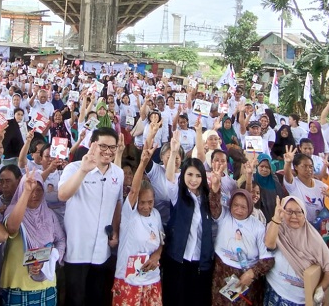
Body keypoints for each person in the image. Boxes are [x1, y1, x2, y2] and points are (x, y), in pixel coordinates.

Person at [58, 127, 124, 306]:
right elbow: (63, 195)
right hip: (77, 249)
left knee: (97, 297)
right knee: (75, 299)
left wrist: (115, 230)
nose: (108, 152)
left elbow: (117, 203)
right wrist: (83, 171)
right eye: (103, 146)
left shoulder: (118, 173)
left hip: (102, 251)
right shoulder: (74, 168)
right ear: (92, 145)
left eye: (113, 147)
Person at [209, 160, 273, 306]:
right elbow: (213, 203)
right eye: (235, 205)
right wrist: (216, 185)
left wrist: (251, 273)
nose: (238, 210)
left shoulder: (257, 226)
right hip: (222, 272)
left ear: (250, 207)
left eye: (243, 207)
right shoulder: (224, 215)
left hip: (246, 277)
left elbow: (268, 259)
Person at [2, 169, 67, 306]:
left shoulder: (49, 214)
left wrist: (51, 259)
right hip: (19, 284)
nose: (35, 194)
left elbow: (60, 240)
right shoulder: (13, 210)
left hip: (46, 284)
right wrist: (26, 192)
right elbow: (12, 228)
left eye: (39, 190)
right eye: (31, 190)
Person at [264, 196, 329, 306]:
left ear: (304, 214)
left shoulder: (313, 237)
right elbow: (269, 245)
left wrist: (320, 289)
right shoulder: (276, 227)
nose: (294, 216)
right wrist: (276, 218)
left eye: (299, 212)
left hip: (300, 299)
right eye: (289, 211)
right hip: (275, 291)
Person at [112, 147, 164, 306]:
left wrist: (157, 256)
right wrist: (142, 163)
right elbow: (134, 191)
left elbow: (162, 241)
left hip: (152, 280)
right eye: (142, 202)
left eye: (150, 202)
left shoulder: (156, 215)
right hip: (128, 281)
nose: (146, 207)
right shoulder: (129, 213)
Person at [162, 153, 213, 306]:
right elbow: (169, 177)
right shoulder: (177, 194)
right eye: (189, 174)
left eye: (198, 175)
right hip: (177, 259)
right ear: (183, 174)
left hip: (200, 261)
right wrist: (173, 149)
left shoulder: (207, 199)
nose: (193, 179)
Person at [282, 148, 327, 224]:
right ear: (296, 167)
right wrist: (288, 163)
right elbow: (287, 174)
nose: (308, 169)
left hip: (318, 226)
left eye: (311, 166)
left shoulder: (321, 185)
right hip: (299, 224)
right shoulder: (293, 183)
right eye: (304, 166)